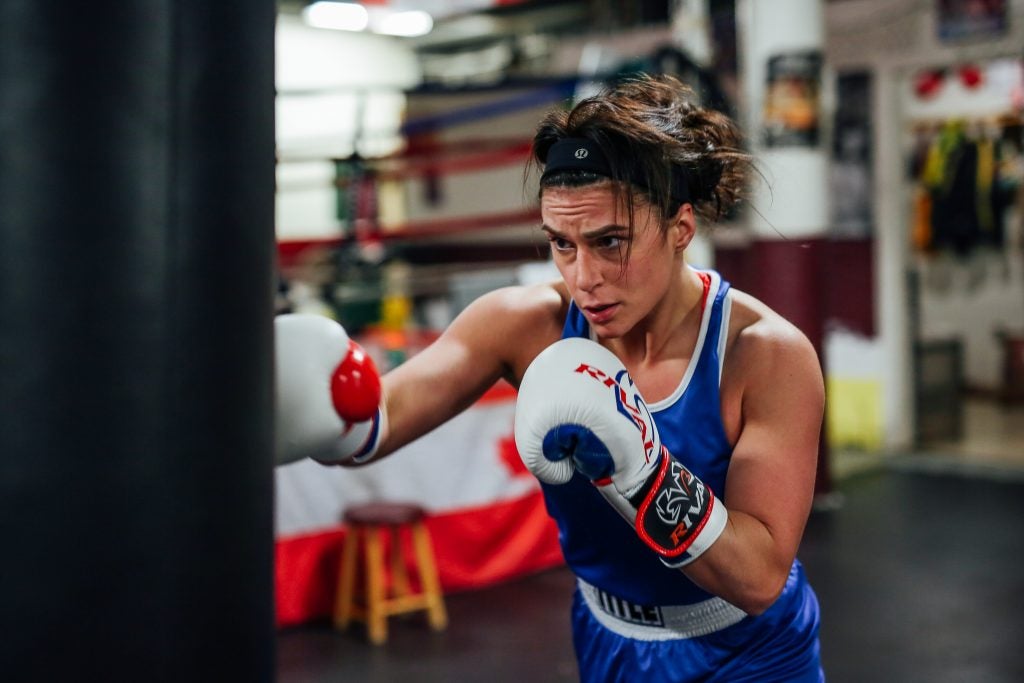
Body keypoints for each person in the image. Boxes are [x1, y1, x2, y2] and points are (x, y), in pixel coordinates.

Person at [276, 74, 826, 682]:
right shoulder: (524, 324)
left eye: (610, 241)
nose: (583, 275)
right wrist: (325, 412)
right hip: (605, 634)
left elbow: (757, 578)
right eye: (561, 244)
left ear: (681, 228)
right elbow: (380, 422)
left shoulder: (763, 354)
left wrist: (644, 475)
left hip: (747, 651)